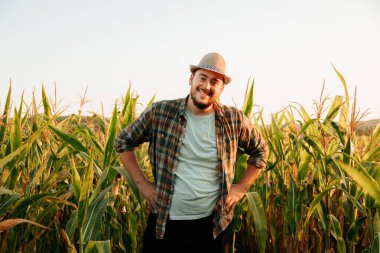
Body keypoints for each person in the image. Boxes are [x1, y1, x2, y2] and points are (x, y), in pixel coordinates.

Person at [114, 52, 269, 253]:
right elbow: (123, 141)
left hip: (212, 226)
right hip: (164, 223)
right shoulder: (161, 112)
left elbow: (260, 151)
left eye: (215, 81)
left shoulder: (233, 119)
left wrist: (241, 187)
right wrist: (142, 184)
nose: (207, 86)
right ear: (191, 79)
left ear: (221, 88)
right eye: (202, 78)